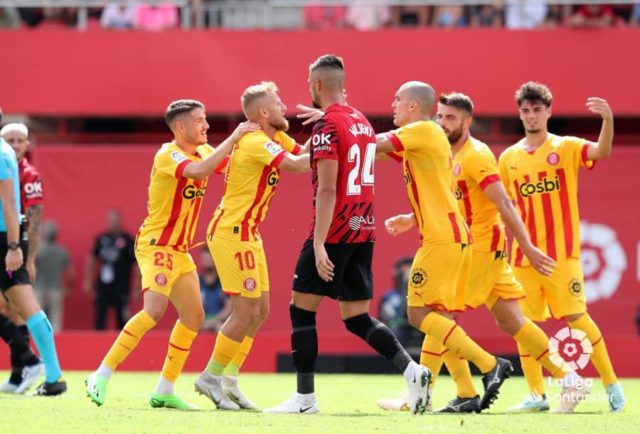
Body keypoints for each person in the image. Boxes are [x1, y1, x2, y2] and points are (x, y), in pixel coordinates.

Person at [379, 92, 587, 414]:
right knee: (512, 321)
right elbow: (449, 198)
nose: (443, 123)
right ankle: (570, 378)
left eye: (451, 118)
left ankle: (430, 393)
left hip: (479, 247)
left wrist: (529, 247)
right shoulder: (444, 152)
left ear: (467, 121)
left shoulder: (477, 155)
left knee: (438, 314)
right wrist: (411, 217)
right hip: (479, 248)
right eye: (440, 117)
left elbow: (504, 203)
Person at [266, 55, 431, 416]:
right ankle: (412, 370)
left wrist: (320, 243)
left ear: (317, 85)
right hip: (364, 229)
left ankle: (305, 400)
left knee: (301, 309)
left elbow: (327, 190)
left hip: (336, 230)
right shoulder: (361, 121)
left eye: (310, 83)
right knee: (356, 316)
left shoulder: (327, 127)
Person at [85, 99, 257, 410]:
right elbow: (198, 171)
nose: (206, 126)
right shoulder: (168, 154)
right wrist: (233, 138)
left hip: (180, 250)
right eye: (200, 121)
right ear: (181, 127)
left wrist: (269, 147)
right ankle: (101, 373)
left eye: (206, 120)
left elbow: (231, 166)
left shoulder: (203, 150)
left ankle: (164, 388)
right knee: (154, 310)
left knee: (194, 317)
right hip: (156, 245)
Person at [375, 82, 512, 412]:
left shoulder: (422, 129)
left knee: (417, 314)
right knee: (440, 317)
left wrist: (334, 127)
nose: (391, 104)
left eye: (397, 99)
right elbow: (375, 152)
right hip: (451, 236)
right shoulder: (421, 138)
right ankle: (465, 393)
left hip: (442, 239)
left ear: (412, 106)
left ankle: (490, 364)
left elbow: (371, 144)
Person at [498, 82, 625, 412]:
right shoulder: (508, 157)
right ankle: (537, 395)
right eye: (525, 110)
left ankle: (611, 384)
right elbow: (501, 206)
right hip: (523, 258)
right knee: (523, 326)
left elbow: (602, 152)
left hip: (560, 255)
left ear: (549, 112)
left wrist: (608, 121)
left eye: (537, 110)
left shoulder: (565, 146)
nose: (531, 116)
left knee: (577, 318)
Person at [194, 81, 309, 411]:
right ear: (263, 112)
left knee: (261, 311)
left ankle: (229, 381)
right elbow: (300, 166)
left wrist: (331, 132)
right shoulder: (257, 141)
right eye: (278, 102)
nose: (284, 107)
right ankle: (210, 378)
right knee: (245, 311)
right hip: (231, 231)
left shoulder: (277, 137)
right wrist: (335, 138)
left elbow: (305, 153)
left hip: (248, 232)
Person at [0, 118, 65, 396]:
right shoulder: (7, 157)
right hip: (11, 239)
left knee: (23, 308)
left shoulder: (22, 170)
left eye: (20, 140)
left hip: (9, 240)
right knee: (14, 309)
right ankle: (31, 369)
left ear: (27, 144)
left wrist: (24, 253)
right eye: (11, 139)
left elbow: (24, 213)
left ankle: (34, 365)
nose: (15, 145)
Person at [83, 209, 136, 330]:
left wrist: (137, 286)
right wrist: (88, 281)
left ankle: (122, 345)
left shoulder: (128, 240)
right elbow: (92, 258)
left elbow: (136, 264)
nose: (114, 224)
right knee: (100, 317)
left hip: (121, 284)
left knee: (122, 318)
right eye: (111, 221)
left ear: (120, 222)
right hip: (103, 284)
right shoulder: (102, 239)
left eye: (116, 221)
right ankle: (98, 344)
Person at [34, 220, 74, 331]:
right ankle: (57, 345)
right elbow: (71, 273)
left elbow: (29, 269)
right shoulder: (62, 251)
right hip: (56, 289)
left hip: (39, 287)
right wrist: (69, 287)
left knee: (38, 321)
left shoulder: (37, 250)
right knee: (55, 321)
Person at [198, 247, 230, 332]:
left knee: (220, 328)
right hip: (202, 321)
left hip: (220, 321)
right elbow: (193, 308)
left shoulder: (224, 281)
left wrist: (212, 321)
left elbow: (229, 309)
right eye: (204, 259)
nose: (207, 261)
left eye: (209, 258)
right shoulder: (197, 282)